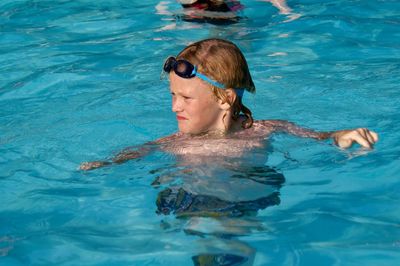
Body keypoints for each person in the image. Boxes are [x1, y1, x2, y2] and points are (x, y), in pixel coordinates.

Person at [79, 38, 378, 171]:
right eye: (172, 95)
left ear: (226, 99)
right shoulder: (176, 144)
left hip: (250, 202)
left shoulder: (264, 130)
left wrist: (340, 135)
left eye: (186, 98)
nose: (174, 107)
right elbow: (137, 153)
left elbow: (319, 136)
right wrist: (105, 164)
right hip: (191, 206)